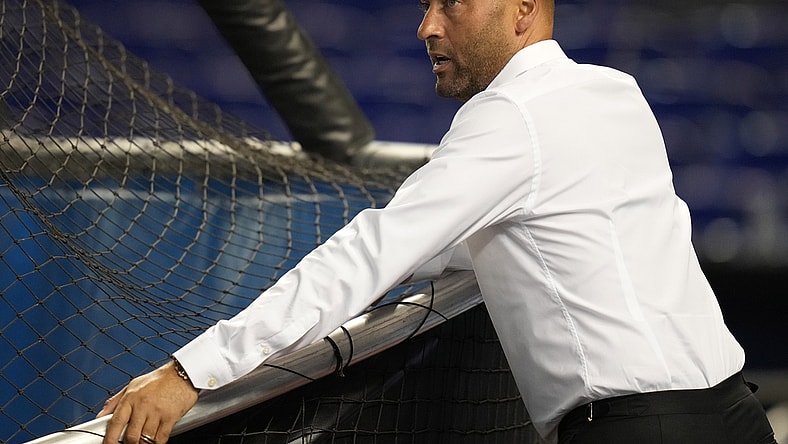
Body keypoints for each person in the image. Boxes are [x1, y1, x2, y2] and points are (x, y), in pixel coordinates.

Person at [98, 0, 778, 443]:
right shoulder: (614, 90)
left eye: (452, 5)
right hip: (732, 413)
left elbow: (369, 256)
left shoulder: (510, 118)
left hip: (642, 430)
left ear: (522, 10)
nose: (428, 26)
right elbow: (493, 240)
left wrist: (193, 372)